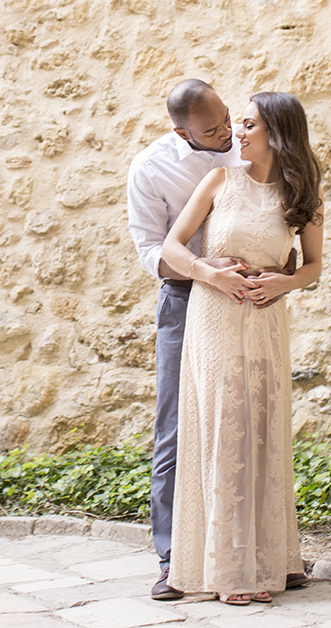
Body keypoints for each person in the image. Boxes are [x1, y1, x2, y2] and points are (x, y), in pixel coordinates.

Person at [161, 91, 325, 604]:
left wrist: (283, 284)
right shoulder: (219, 180)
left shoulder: (305, 198)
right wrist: (211, 274)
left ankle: (259, 564)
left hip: (264, 322)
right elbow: (171, 247)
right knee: (221, 431)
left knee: (259, 434)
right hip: (213, 318)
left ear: (276, 133)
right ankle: (224, 570)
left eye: (249, 124)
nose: (240, 132)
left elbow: (314, 268)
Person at [126, 79, 242, 599]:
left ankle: (256, 552)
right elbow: (150, 248)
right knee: (175, 427)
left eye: (226, 120)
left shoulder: (247, 143)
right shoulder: (151, 168)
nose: (225, 133)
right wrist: (201, 269)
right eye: (212, 130)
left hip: (244, 298)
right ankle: (172, 558)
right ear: (181, 131)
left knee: (246, 420)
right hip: (185, 297)